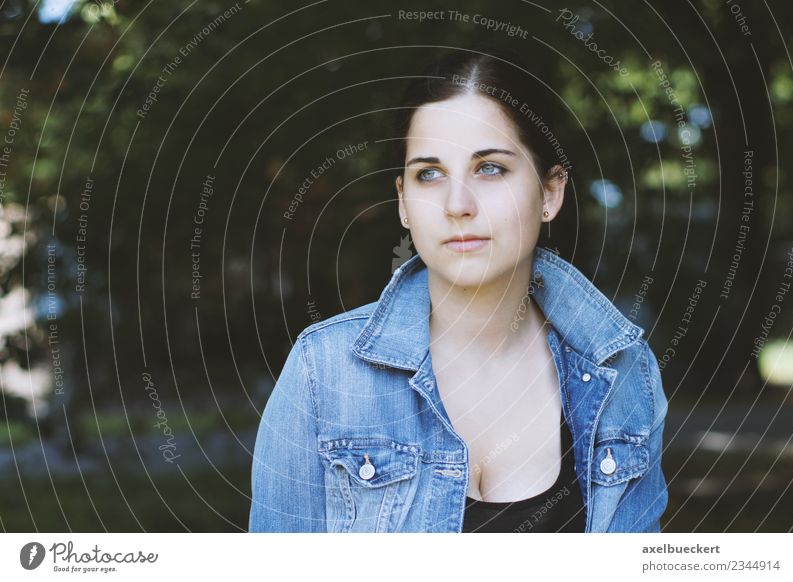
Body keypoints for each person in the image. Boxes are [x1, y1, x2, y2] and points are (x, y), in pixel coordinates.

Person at [249, 46, 668, 533]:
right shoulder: (322, 372)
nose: (457, 203)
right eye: (429, 174)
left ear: (550, 192)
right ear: (403, 203)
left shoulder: (624, 373)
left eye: (489, 167)